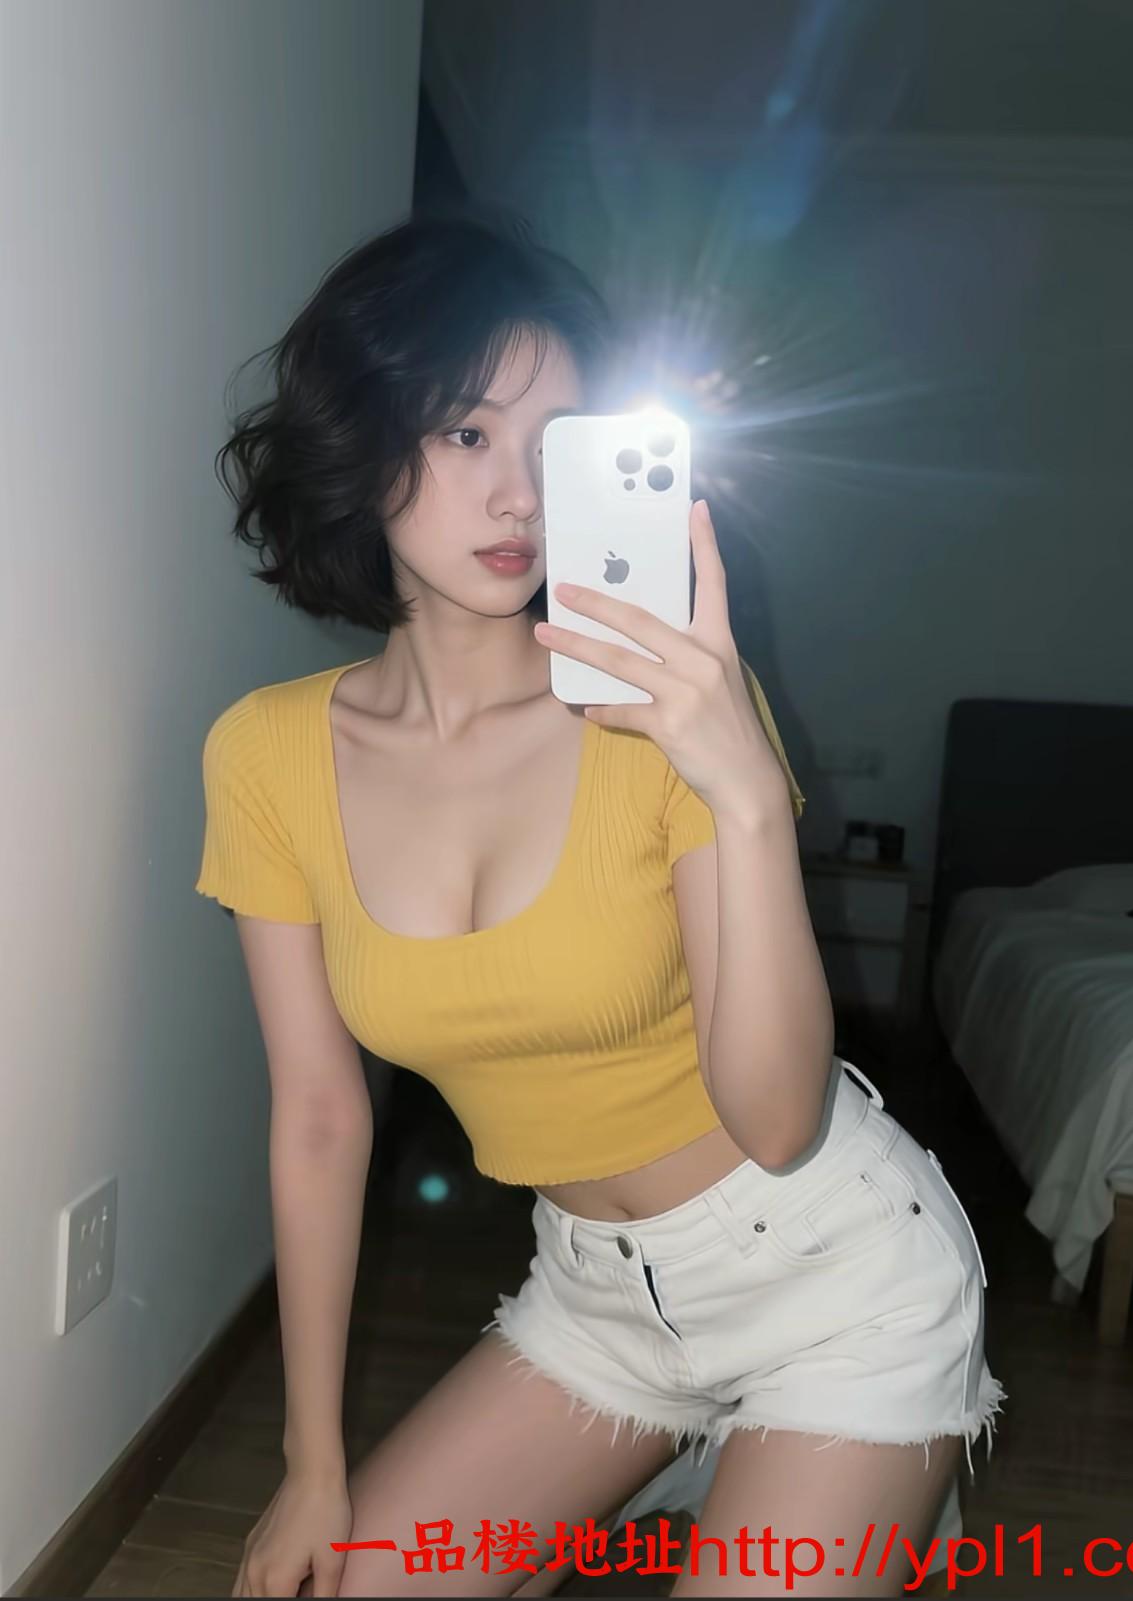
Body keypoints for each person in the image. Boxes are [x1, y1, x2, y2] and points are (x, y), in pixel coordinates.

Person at [196, 207, 1005, 1599]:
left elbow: (776, 1119)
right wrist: (310, 1459)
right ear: (361, 443)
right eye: (466, 433)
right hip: (594, 1298)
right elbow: (322, 1117)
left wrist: (748, 795)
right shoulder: (265, 754)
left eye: (555, 442)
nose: (521, 496)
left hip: (835, 1276)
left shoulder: (669, 714)